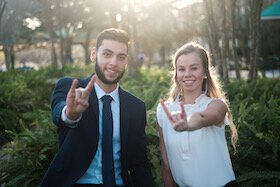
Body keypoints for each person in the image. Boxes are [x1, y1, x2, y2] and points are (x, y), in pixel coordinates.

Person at [41, 28, 154, 187]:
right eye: (107, 54)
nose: (114, 63)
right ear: (94, 54)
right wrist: (70, 113)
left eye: (121, 57)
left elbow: (139, 162)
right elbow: (59, 112)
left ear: (126, 61)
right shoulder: (71, 88)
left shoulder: (136, 107)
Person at [156, 42, 238, 187]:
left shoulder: (217, 104)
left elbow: (204, 117)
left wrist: (188, 124)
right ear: (176, 75)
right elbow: (167, 165)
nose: (187, 74)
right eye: (181, 69)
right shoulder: (164, 112)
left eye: (194, 68)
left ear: (205, 72)